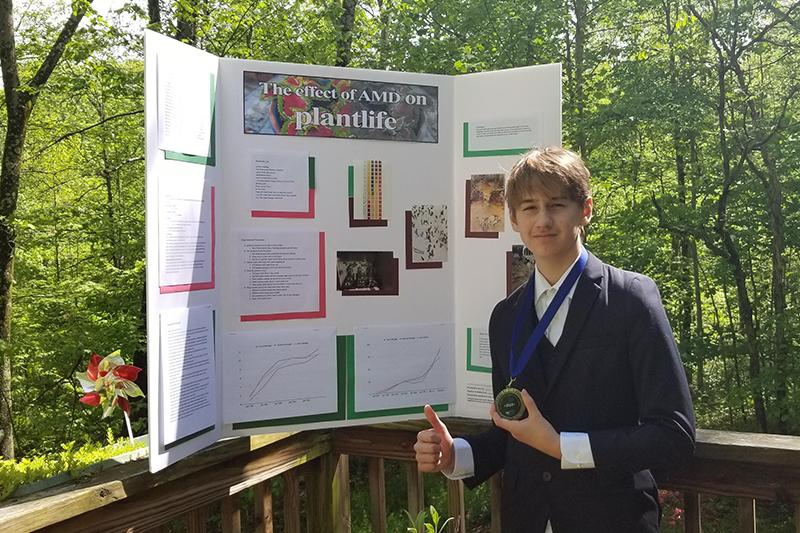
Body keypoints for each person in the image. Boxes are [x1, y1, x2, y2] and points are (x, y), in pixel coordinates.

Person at [414, 147, 695, 532]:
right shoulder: (506, 317)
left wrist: (562, 446)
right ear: (513, 218)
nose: (542, 220)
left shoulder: (631, 299)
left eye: (556, 204)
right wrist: (454, 455)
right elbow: (509, 435)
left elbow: (673, 436)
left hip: (615, 522)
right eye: (529, 207)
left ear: (586, 210)